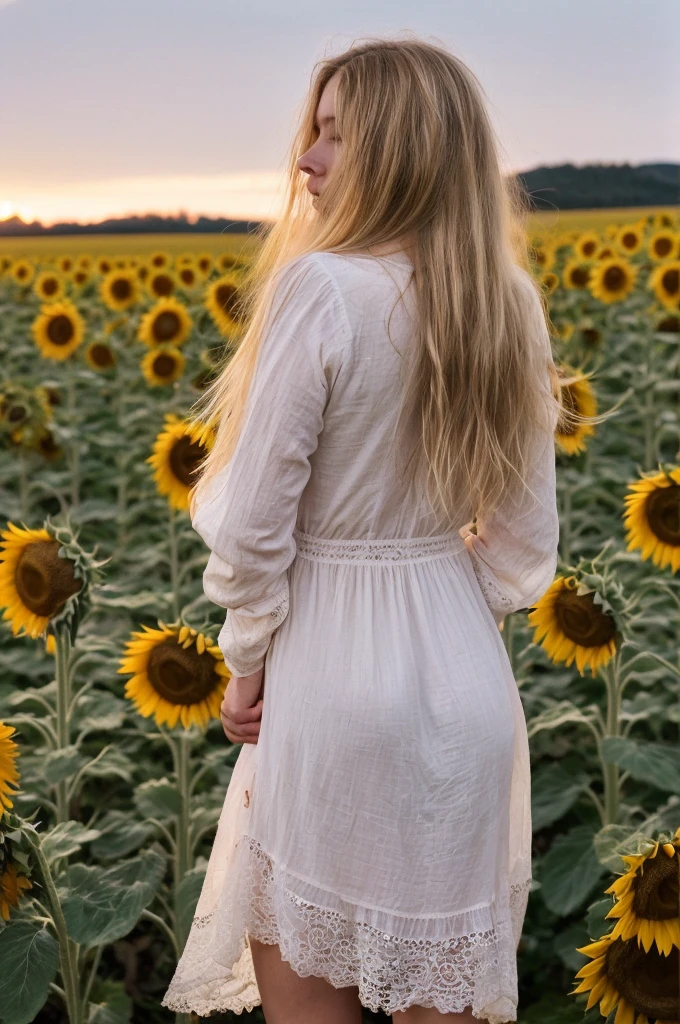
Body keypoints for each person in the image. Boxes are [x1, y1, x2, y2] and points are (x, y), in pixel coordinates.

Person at [162, 35, 563, 1024]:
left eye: (334, 136)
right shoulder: (506, 304)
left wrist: (245, 662)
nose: (304, 160)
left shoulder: (321, 289)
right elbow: (519, 550)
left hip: (329, 690)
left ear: (402, 149)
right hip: (464, 690)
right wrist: (435, 604)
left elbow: (254, 529)